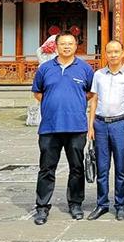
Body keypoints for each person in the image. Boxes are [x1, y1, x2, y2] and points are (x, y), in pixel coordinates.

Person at [31, 32, 94, 225]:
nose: (67, 47)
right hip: (50, 127)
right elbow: (38, 92)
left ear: (76, 46)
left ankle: (75, 204)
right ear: (56, 46)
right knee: (46, 168)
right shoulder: (45, 68)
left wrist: (73, 103)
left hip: (76, 127)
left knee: (76, 168)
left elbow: (90, 93)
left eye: (70, 44)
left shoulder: (85, 68)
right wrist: (54, 104)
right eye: (63, 44)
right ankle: (42, 207)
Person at [86, 40, 124, 221]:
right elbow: (94, 100)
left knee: (121, 166)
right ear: (105, 54)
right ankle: (102, 204)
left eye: (116, 51)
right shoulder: (98, 75)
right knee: (102, 166)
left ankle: (120, 205)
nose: (113, 55)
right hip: (100, 124)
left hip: (120, 124)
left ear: (122, 53)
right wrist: (90, 125)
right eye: (109, 52)